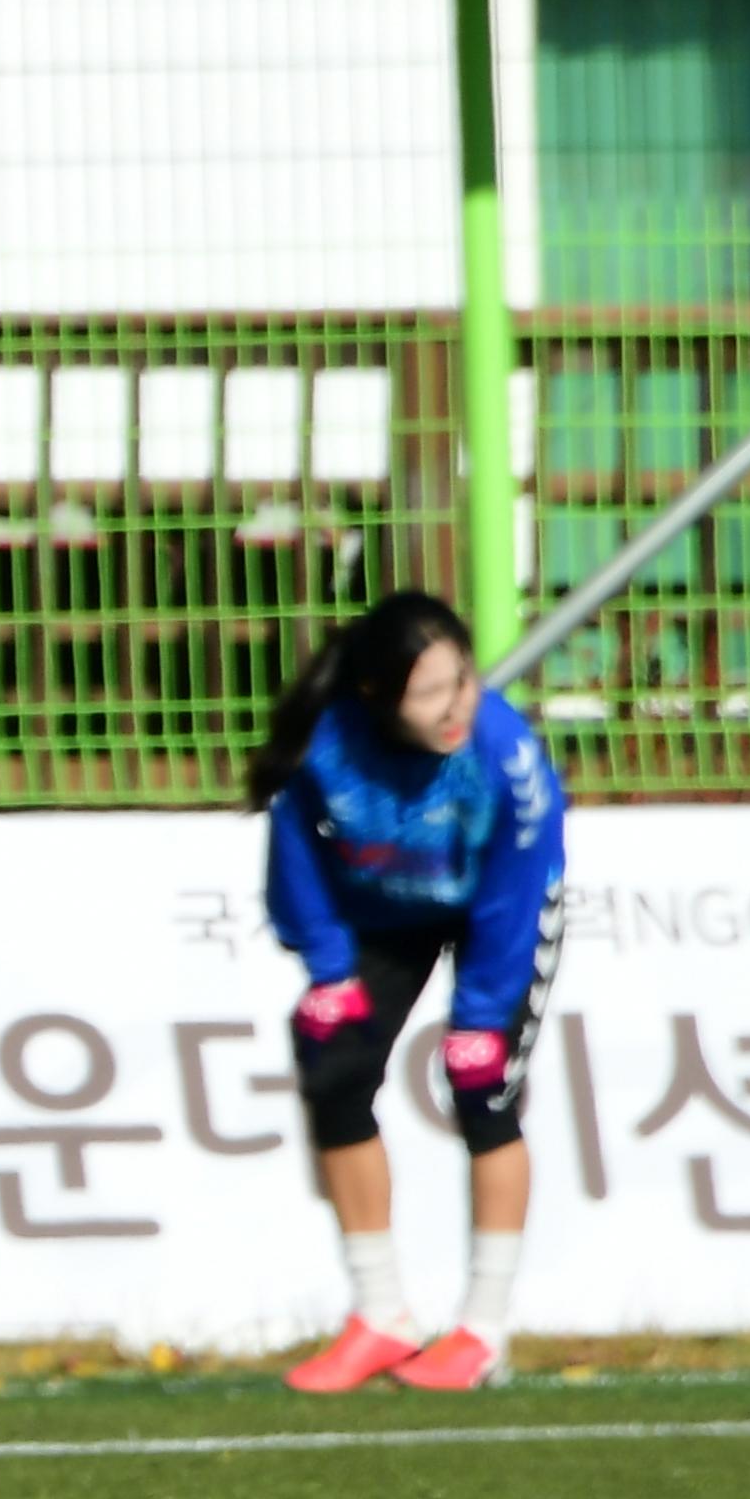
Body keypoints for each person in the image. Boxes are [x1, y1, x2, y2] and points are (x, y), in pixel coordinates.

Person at [250, 590, 566, 1395]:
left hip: (497, 912)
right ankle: (382, 1315)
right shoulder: (325, 744)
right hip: (384, 909)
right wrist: (328, 970)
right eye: (429, 693)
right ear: (376, 697)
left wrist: (483, 1015)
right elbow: (294, 861)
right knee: (333, 1070)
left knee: (481, 1087)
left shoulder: (503, 750)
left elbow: (518, 883)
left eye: (461, 680)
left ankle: (482, 1331)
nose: (456, 705)